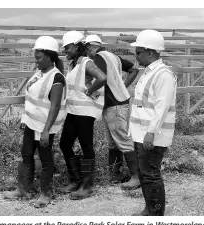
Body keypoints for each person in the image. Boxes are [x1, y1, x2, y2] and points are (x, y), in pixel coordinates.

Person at [3, 36, 67, 208]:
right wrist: (25, 119)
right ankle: (22, 189)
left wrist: (46, 130)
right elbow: (31, 99)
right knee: (26, 155)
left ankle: (46, 194)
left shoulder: (57, 78)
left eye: (38, 58)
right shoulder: (39, 73)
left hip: (44, 127)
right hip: (32, 124)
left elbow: (54, 107)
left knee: (45, 160)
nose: (36, 61)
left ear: (49, 57)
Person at [129, 29, 177, 216]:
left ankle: (156, 213)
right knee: (145, 174)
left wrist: (151, 132)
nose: (136, 56)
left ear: (150, 52)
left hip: (152, 135)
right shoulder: (149, 72)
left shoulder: (163, 74)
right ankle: (149, 210)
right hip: (142, 133)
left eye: (138, 52)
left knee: (150, 174)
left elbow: (162, 107)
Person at [84, 34, 140, 189]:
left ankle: (136, 177)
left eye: (86, 49)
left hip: (114, 103)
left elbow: (100, 79)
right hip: (115, 102)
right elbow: (134, 69)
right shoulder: (112, 56)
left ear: (90, 46)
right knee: (113, 142)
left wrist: (89, 90)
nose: (87, 53)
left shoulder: (99, 58)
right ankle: (116, 174)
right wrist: (124, 86)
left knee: (122, 140)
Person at [59, 31, 107, 200]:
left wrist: (90, 90)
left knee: (86, 147)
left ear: (78, 46)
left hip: (85, 112)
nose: (65, 50)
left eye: (68, 47)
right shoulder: (74, 65)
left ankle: (86, 186)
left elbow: (102, 78)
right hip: (73, 110)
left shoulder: (86, 62)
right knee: (64, 144)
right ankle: (75, 180)